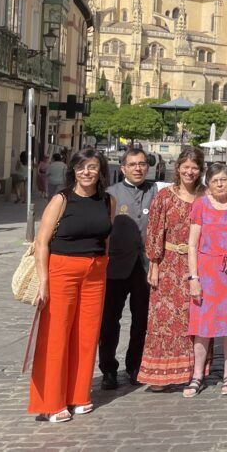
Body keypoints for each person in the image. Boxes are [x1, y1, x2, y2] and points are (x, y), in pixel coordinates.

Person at [28, 148, 113, 422]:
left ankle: (79, 395)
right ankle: (52, 402)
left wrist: (103, 264)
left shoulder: (107, 200)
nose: (86, 172)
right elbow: (41, 242)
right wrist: (43, 282)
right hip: (62, 269)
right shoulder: (61, 199)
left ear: (100, 171)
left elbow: (106, 238)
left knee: (87, 335)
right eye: (80, 167)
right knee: (56, 335)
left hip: (95, 271)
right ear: (73, 171)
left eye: (91, 167)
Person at [184, 162, 227, 398]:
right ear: (208, 185)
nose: (220, 184)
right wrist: (194, 277)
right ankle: (197, 375)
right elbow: (192, 244)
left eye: (224, 179)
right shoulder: (200, 205)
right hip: (207, 270)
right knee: (202, 325)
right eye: (215, 181)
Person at [138, 147, 205, 390]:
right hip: (168, 264)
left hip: (194, 265)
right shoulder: (165, 196)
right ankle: (160, 374)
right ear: (178, 168)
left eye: (194, 167)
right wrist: (153, 264)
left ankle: (190, 371)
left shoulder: (204, 197)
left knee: (190, 317)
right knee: (163, 319)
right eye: (185, 167)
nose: (190, 171)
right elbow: (154, 231)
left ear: (200, 170)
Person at [100, 148, 160, 390]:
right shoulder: (110, 194)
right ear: (123, 167)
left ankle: (135, 365)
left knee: (142, 320)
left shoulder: (156, 191)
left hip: (145, 267)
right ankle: (108, 369)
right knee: (110, 321)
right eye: (133, 164)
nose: (138, 168)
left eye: (142, 164)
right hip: (116, 266)